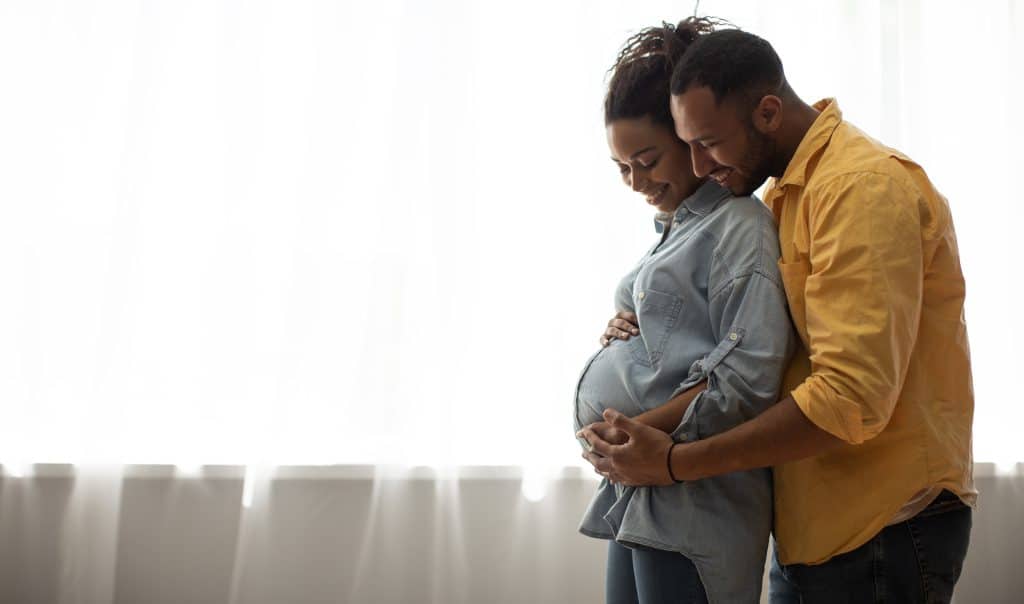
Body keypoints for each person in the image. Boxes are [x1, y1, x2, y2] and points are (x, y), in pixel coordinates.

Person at [578, 26, 976, 603]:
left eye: (708, 143)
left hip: (881, 523)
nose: (699, 165)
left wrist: (673, 463)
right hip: (816, 522)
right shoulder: (784, 196)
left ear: (766, 113)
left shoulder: (859, 189)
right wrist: (630, 336)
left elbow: (847, 396)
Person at [572, 18, 795, 604]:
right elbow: (678, 344)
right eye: (622, 168)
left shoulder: (739, 226)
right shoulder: (680, 228)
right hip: (641, 488)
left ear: (687, 136)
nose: (635, 182)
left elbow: (746, 376)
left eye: (647, 160)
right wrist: (624, 331)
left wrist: (632, 431)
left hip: (692, 497)